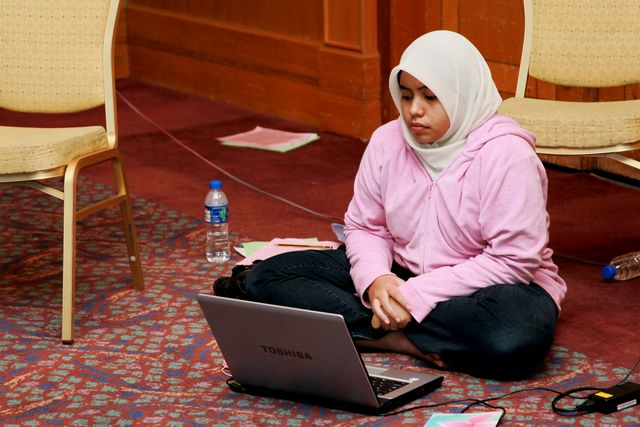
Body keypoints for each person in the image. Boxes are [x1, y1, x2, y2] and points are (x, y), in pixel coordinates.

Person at [221, 30, 566, 380]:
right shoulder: (387, 140)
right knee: (267, 277)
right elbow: (365, 227)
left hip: (489, 285)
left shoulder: (508, 155)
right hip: (400, 270)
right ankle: (400, 338)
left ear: (462, 95)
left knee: (513, 337)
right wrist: (376, 279)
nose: (414, 110)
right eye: (406, 95)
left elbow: (512, 260)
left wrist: (415, 296)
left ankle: (367, 327)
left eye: (430, 97)